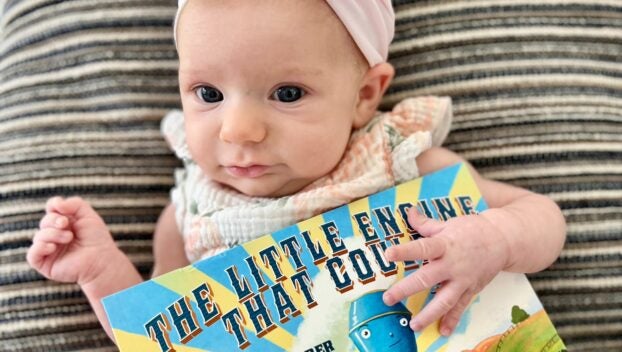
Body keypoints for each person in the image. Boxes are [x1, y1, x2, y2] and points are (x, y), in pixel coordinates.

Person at [26, 0, 566, 343]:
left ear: (363, 96)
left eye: (287, 94)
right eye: (208, 94)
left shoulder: (394, 161)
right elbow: (163, 334)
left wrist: (494, 237)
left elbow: (543, 217)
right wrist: (102, 273)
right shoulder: (191, 210)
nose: (238, 130)